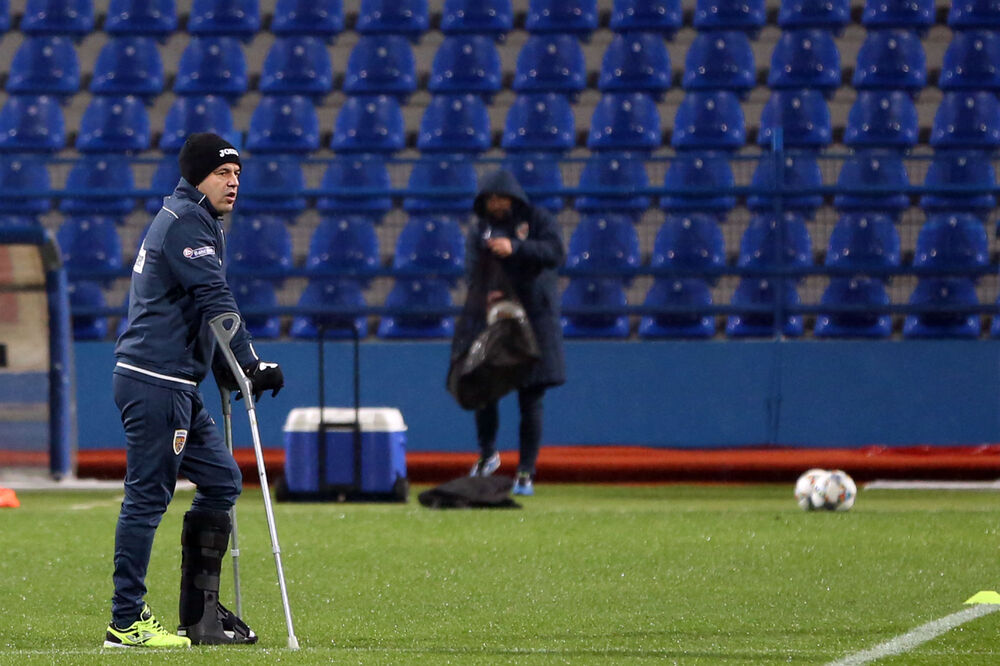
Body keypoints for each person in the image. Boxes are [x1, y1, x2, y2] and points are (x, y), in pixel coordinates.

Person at [106, 133, 284, 648]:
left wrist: (221, 366)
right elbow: (212, 295)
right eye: (222, 173)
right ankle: (126, 622)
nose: (232, 182)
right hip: (155, 380)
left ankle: (199, 614)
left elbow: (195, 302)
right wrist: (247, 362)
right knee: (146, 498)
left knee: (223, 480)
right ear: (197, 176)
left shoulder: (199, 220)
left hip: (177, 380)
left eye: (237, 175)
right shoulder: (187, 221)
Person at [458, 169, 566, 496]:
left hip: (534, 319)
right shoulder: (479, 231)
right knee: (482, 390)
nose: (496, 203)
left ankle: (525, 471)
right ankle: (488, 454)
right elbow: (472, 271)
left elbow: (554, 253)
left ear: (514, 197)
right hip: (495, 321)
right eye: (491, 199)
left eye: (502, 198)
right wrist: (485, 292)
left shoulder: (539, 220)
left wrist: (516, 247)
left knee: (530, 397)